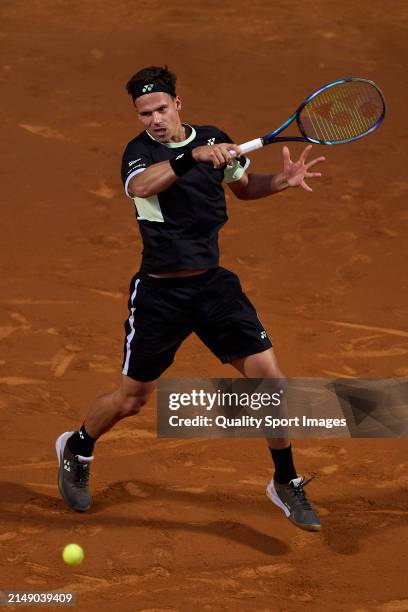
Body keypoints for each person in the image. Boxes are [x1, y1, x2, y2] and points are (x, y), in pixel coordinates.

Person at [56, 66, 326, 531]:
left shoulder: (217, 138)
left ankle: (285, 481)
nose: (155, 119)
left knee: (271, 385)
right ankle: (77, 446)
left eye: (161, 108)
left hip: (214, 288)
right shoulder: (139, 154)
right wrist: (193, 156)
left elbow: (244, 188)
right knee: (132, 398)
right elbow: (142, 187)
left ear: (178, 103)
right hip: (161, 294)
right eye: (145, 113)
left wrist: (279, 182)